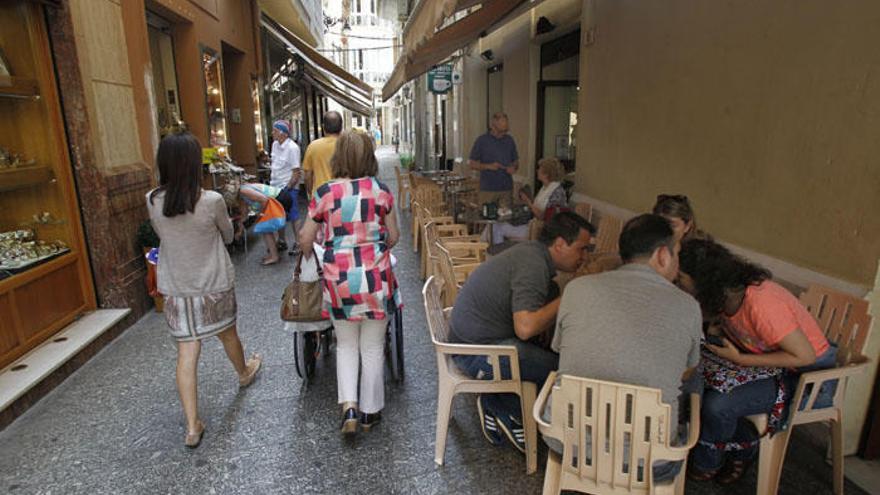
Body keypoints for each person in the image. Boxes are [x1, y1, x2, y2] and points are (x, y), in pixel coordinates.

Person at [550, 214, 702, 481]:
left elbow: (561, 349)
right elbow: (687, 370)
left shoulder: (576, 289)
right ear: (663, 255)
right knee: (694, 384)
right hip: (650, 461)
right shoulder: (687, 306)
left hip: (567, 443)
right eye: (677, 255)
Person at [678, 239, 835, 484]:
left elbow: (805, 356)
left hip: (805, 378)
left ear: (705, 282)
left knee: (717, 404)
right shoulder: (725, 296)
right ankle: (740, 437)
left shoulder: (762, 304)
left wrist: (741, 358)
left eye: (681, 279)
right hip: (768, 366)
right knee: (692, 379)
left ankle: (720, 456)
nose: (678, 284)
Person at [146, 131, 262, 448]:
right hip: (213, 283)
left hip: (176, 287)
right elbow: (227, 236)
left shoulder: (152, 200)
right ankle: (243, 372)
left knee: (187, 351)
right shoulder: (210, 201)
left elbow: (163, 233)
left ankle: (192, 426)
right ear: (195, 164)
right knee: (227, 334)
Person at [449, 212, 594, 452]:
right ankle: (504, 407)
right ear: (559, 244)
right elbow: (525, 328)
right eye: (582, 249)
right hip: (475, 354)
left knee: (551, 299)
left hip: (470, 339)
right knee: (561, 370)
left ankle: (497, 400)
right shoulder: (533, 264)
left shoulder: (532, 253)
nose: (585, 257)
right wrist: (571, 293)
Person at [299, 131, 401, 434]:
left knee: (345, 345)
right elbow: (393, 236)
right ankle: (370, 413)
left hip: (338, 281)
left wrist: (317, 252)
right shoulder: (380, 191)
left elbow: (305, 238)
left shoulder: (325, 193)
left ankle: (350, 408)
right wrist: (374, 245)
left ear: (338, 156)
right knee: (372, 346)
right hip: (375, 280)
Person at [487, 157, 569, 245]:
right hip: (530, 225)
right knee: (493, 226)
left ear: (546, 174)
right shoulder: (545, 188)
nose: (537, 170)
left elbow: (544, 217)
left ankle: (488, 251)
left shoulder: (556, 192)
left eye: (539, 169)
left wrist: (528, 202)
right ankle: (482, 249)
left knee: (496, 228)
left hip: (539, 230)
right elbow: (535, 209)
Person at [468, 112, 519, 207]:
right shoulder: (482, 141)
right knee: (487, 217)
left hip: (506, 189)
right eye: (502, 123)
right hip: (488, 189)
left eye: (506, 123)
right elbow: (472, 164)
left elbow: (515, 161)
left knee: (505, 218)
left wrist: (513, 167)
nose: (506, 126)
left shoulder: (509, 140)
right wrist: (488, 166)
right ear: (493, 125)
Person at [269, 120, 302, 255]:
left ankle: (299, 243)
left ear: (283, 132)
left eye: (275, 130)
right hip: (275, 185)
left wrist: (288, 188)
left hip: (288, 186)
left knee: (293, 215)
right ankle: (281, 241)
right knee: (278, 214)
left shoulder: (293, 148)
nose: (272, 133)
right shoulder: (275, 145)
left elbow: (296, 172)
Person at [237, 182, 290, 265]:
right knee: (267, 228)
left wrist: (260, 214)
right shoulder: (242, 194)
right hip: (279, 197)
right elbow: (244, 214)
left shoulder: (243, 191)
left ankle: (274, 256)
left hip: (278, 198)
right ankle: (274, 252)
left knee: (266, 229)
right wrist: (240, 230)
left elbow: (264, 199)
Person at [303, 111, 343, 198]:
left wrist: (311, 193)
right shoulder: (346, 145)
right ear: (341, 127)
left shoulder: (313, 146)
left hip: (320, 196)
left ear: (323, 127)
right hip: (343, 195)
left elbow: (307, 176)